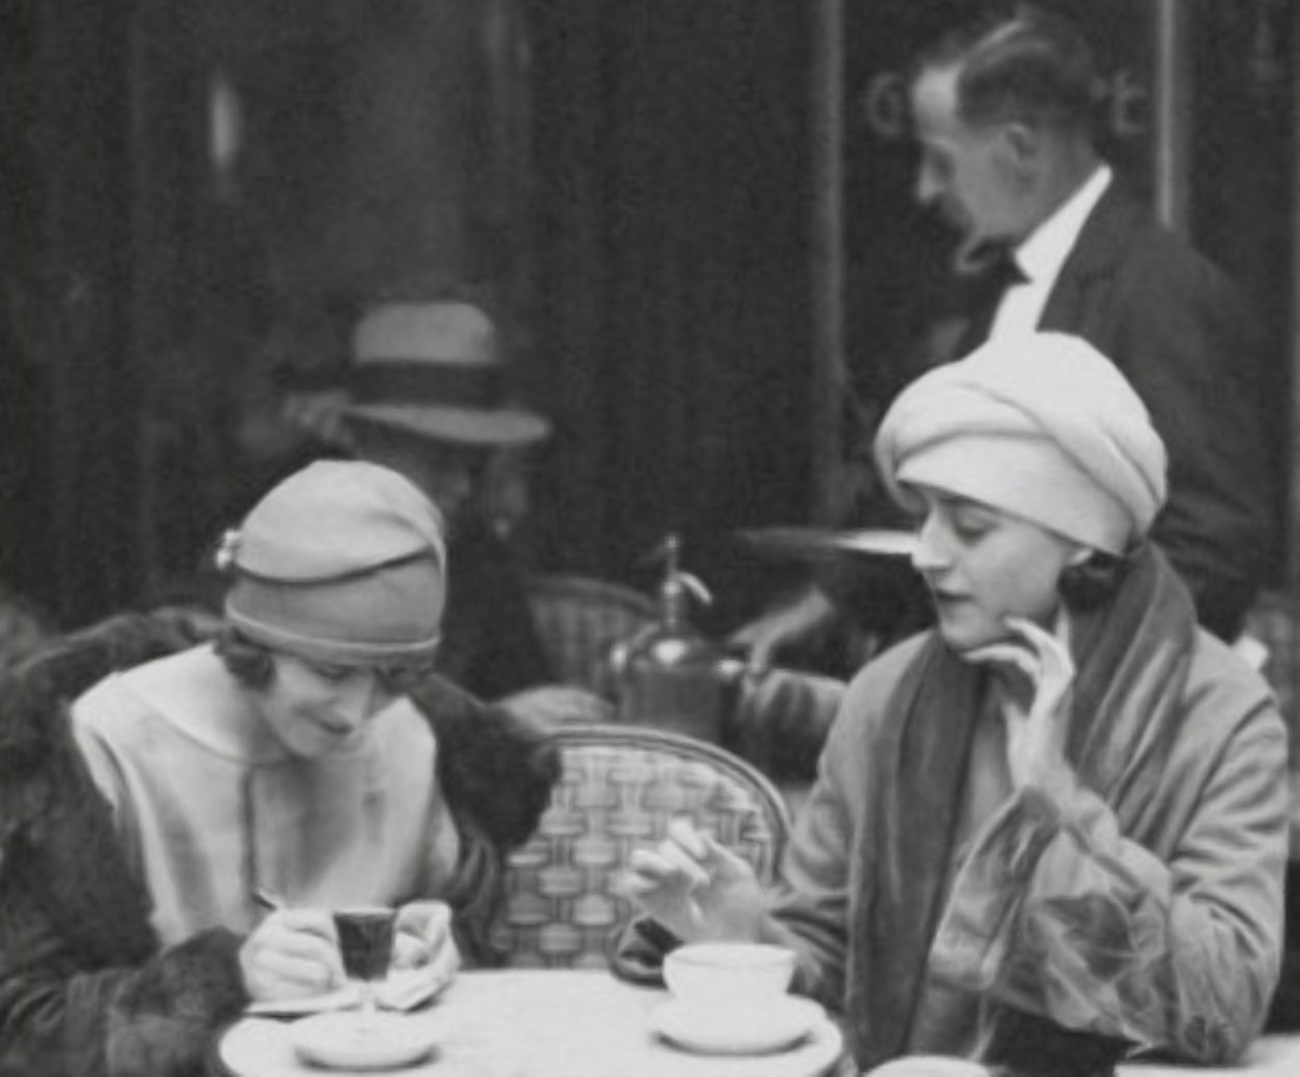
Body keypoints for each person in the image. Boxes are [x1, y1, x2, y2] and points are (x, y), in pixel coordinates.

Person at [625, 333, 1288, 1076]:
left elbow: (1222, 1008)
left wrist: (1059, 806)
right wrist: (744, 939)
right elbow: (832, 968)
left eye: (970, 526)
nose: (927, 553)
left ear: (1084, 544)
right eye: (924, 518)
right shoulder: (888, 695)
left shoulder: (1220, 715)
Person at [732, 1, 1276, 670]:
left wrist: (1061, 666)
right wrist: (827, 601)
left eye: (940, 160)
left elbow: (1216, 546)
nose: (925, 189)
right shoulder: (995, 290)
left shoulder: (1166, 294)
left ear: (1020, 150)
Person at [0, 459, 560, 1076]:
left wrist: (429, 948)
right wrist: (223, 977)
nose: (355, 714)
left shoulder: (412, 735)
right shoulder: (103, 747)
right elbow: (20, 1031)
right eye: (330, 671)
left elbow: (451, 963)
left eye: (394, 680)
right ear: (253, 639)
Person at [285, 297, 610, 723]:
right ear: (368, 444)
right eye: (438, 461)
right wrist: (484, 723)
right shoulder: (286, 552)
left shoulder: (475, 555)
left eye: (473, 464)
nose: (461, 486)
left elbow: (522, 687)